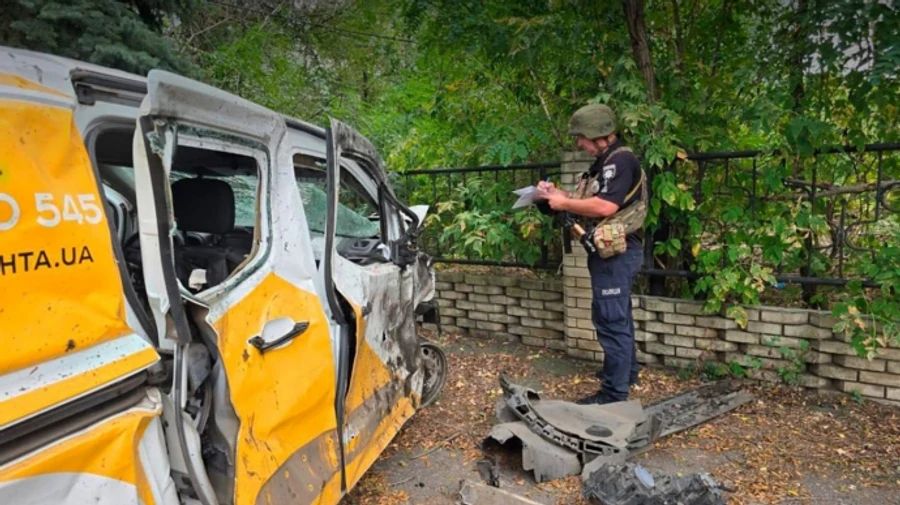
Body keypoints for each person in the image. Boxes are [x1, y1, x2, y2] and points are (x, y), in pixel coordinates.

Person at [535, 103, 646, 405]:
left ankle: (613, 395)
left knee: (610, 319)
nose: (578, 144)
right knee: (618, 316)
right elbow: (590, 200)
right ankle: (627, 373)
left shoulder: (620, 162)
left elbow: (605, 207)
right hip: (611, 253)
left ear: (600, 134)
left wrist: (564, 204)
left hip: (617, 254)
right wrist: (555, 195)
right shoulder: (605, 162)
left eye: (581, 137)